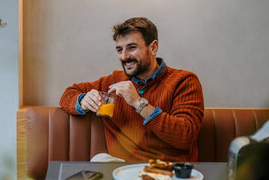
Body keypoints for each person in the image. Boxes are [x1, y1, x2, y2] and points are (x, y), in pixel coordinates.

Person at [59, 17, 204, 162]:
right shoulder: (114, 81)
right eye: (119, 50)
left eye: (132, 48)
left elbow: (185, 136)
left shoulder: (184, 81)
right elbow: (68, 94)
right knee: (100, 160)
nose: (124, 56)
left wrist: (139, 103)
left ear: (153, 48)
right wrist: (83, 101)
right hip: (125, 172)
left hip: (170, 173)